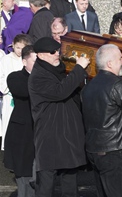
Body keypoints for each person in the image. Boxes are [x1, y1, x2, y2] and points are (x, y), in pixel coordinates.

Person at [81, 44, 122, 197]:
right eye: (119, 58)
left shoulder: (89, 86)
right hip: (114, 150)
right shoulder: (118, 84)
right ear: (110, 63)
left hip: (94, 149)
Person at [28, 37, 90, 196]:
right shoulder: (38, 76)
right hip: (50, 138)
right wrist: (79, 68)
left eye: (58, 50)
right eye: (52, 52)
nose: (57, 54)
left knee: (70, 185)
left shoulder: (59, 69)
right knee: (46, 187)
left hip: (68, 137)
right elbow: (60, 92)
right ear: (40, 55)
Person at [3, 45, 36, 197]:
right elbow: (23, 91)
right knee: (24, 179)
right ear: (24, 62)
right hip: (22, 136)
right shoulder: (15, 77)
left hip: (41, 134)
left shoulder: (46, 78)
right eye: (35, 61)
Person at [0, 34, 32, 150]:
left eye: (23, 48)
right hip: (9, 96)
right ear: (13, 45)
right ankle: (7, 146)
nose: (20, 51)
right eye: (18, 47)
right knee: (8, 120)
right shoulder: (5, 59)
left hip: (22, 95)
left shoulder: (26, 60)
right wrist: (8, 89)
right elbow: (1, 77)